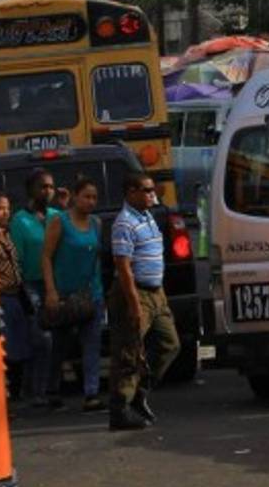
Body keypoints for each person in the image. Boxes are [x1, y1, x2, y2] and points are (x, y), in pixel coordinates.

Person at [109, 171, 181, 430]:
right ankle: (120, 409)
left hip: (155, 292)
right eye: (147, 190)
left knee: (169, 344)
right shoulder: (125, 223)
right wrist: (134, 304)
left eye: (153, 190)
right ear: (131, 192)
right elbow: (123, 266)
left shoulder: (147, 217)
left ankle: (140, 393)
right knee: (129, 351)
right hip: (135, 292)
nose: (153, 195)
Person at [42, 178, 106, 412]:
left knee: (92, 344)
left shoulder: (96, 224)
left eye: (94, 198)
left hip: (91, 294)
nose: (90, 202)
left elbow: (97, 257)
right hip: (65, 295)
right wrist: (51, 291)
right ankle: (52, 390)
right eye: (86, 196)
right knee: (60, 345)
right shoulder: (60, 222)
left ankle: (91, 393)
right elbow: (46, 256)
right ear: (75, 197)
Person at [9, 169, 60, 409]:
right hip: (31, 285)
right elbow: (17, 260)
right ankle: (36, 391)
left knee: (54, 340)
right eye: (42, 187)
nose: (47, 191)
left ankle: (48, 388)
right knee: (41, 338)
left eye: (50, 187)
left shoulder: (57, 216)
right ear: (31, 190)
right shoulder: (20, 221)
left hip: (56, 284)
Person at [0, 191, 29, 403]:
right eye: (0, 208)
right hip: (0, 297)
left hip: (15, 296)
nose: (5, 212)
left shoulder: (5, 233)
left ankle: (16, 393)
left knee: (19, 348)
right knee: (5, 350)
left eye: (7, 208)